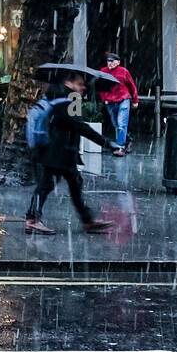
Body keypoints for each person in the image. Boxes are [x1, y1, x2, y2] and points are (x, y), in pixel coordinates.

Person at [25, 72, 115, 235]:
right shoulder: (70, 98)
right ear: (69, 82)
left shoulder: (55, 94)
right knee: (48, 185)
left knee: (73, 183)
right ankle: (32, 220)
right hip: (55, 151)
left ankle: (87, 221)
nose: (83, 88)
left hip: (57, 151)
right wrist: (107, 143)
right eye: (80, 84)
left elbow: (68, 123)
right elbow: (79, 126)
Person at [100, 53, 139, 157]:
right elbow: (100, 87)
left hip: (123, 99)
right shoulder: (103, 71)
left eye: (113, 61)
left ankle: (120, 147)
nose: (110, 63)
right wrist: (104, 99)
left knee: (121, 123)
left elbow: (132, 85)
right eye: (109, 61)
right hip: (110, 101)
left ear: (118, 62)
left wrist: (135, 100)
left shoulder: (123, 71)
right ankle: (128, 140)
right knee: (116, 124)